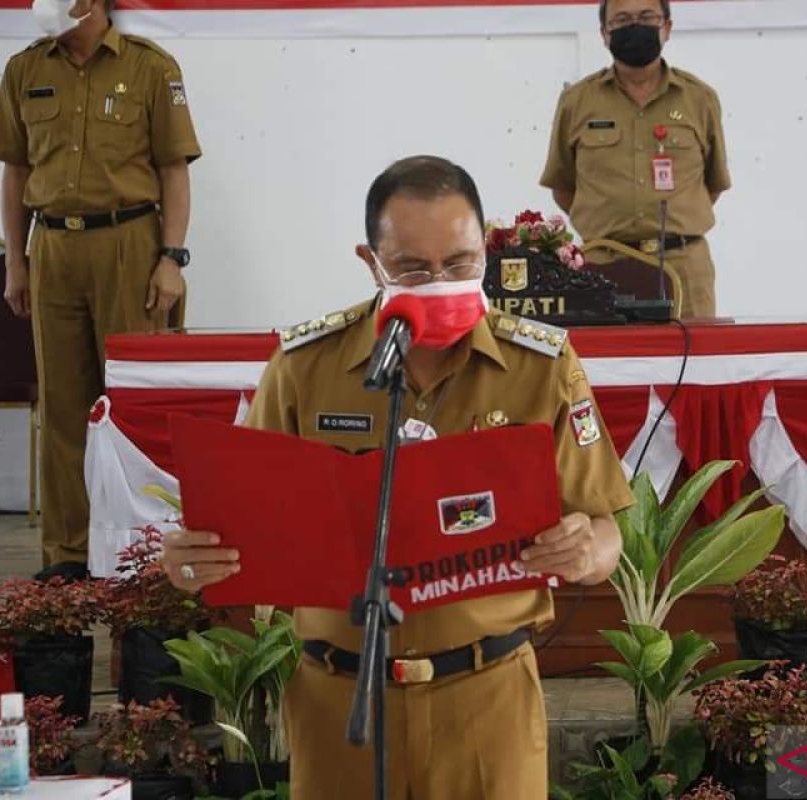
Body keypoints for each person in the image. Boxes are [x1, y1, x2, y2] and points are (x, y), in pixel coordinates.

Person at [161, 156, 633, 799]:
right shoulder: (307, 367)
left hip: (484, 695)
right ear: (370, 260)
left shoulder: (540, 364)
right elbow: (240, 527)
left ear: (486, 251)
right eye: (414, 267)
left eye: (462, 262)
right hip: (340, 702)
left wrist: (587, 549)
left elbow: (606, 533)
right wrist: (188, 560)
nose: (441, 281)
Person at [0, 0, 201, 578]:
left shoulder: (152, 67)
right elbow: (16, 172)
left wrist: (171, 259)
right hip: (51, 247)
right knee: (62, 407)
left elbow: (174, 170)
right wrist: (15, 261)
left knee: (134, 402)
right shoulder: (25, 69)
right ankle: (68, 555)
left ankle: (142, 551)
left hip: (129, 244)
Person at [539, 0, 730, 319]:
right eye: (622, 20)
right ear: (604, 33)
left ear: (667, 27)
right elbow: (563, 186)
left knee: (695, 365)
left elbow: (713, 184)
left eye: (646, 17)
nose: (634, 26)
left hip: (684, 266)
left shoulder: (699, 98)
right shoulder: (577, 101)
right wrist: (607, 227)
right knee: (609, 365)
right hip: (602, 267)